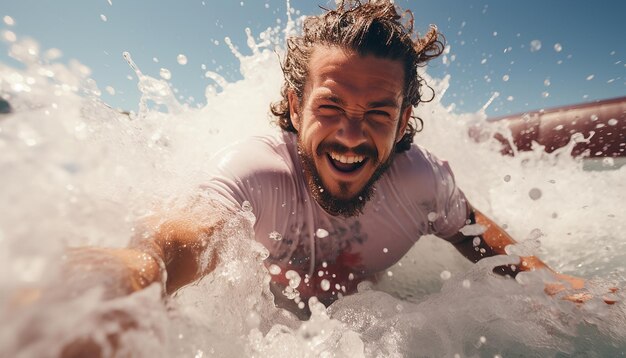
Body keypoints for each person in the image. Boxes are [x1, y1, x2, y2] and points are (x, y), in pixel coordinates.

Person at [65, 0, 612, 322]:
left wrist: (558, 284)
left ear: (402, 124)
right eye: (330, 107)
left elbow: (473, 232)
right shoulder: (257, 173)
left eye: (379, 112)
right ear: (294, 107)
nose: (352, 134)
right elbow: (180, 238)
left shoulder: (421, 181)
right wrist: (124, 280)